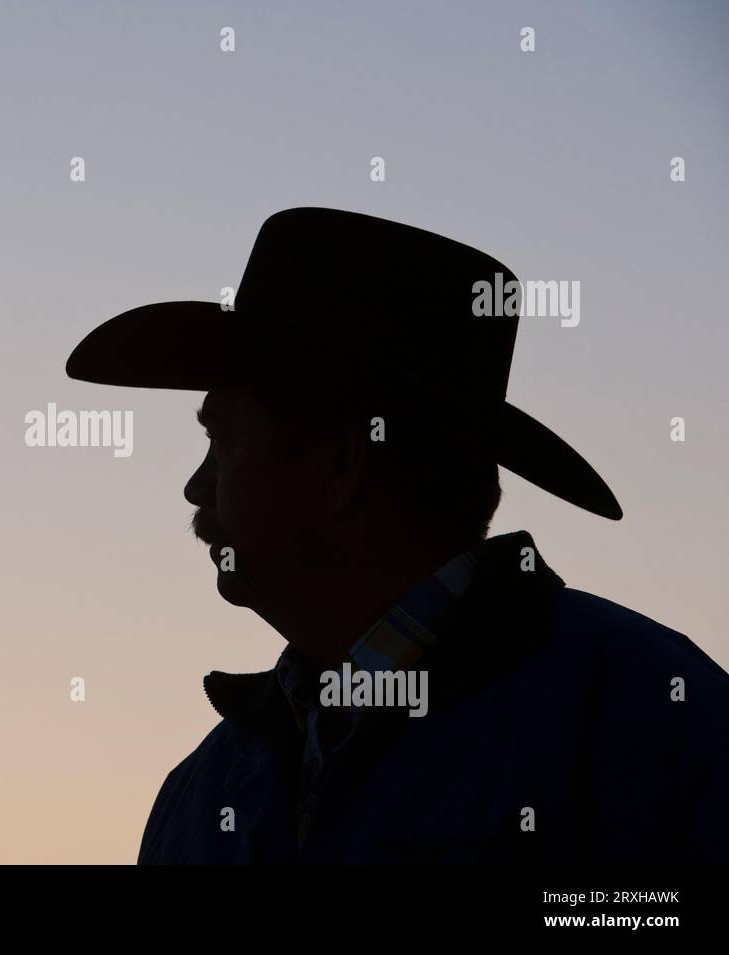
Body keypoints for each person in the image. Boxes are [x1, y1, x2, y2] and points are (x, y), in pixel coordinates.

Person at [65, 208, 729, 863]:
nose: (196, 486)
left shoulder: (646, 726)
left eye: (223, 441)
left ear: (340, 465)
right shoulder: (199, 798)